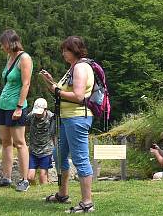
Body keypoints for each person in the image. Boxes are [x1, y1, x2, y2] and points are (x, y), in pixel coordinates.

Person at [39, 36, 96, 213]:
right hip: (67, 118)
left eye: (66, 50)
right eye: (63, 50)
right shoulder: (73, 68)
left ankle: (87, 203)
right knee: (59, 154)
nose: (63, 53)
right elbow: (61, 92)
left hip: (77, 118)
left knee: (80, 159)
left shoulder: (80, 68)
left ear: (75, 50)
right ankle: (62, 194)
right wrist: (51, 83)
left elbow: (78, 96)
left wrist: (56, 89)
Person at [0, 29, 33, 192]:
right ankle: (6, 178)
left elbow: (26, 84)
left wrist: (19, 107)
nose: (1, 47)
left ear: (11, 43)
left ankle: (24, 180)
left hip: (16, 106)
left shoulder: (25, 58)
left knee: (20, 143)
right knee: (6, 142)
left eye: (3, 44)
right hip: (2, 105)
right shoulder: (10, 57)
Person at [25, 97, 55, 185]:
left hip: (46, 151)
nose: (38, 114)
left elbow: (55, 133)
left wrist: (56, 146)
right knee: (30, 177)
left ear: (45, 109)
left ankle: (43, 190)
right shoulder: (31, 116)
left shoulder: (51, 117)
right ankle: (34, 189)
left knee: (43, 176)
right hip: (33, 150)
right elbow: (25, 129)